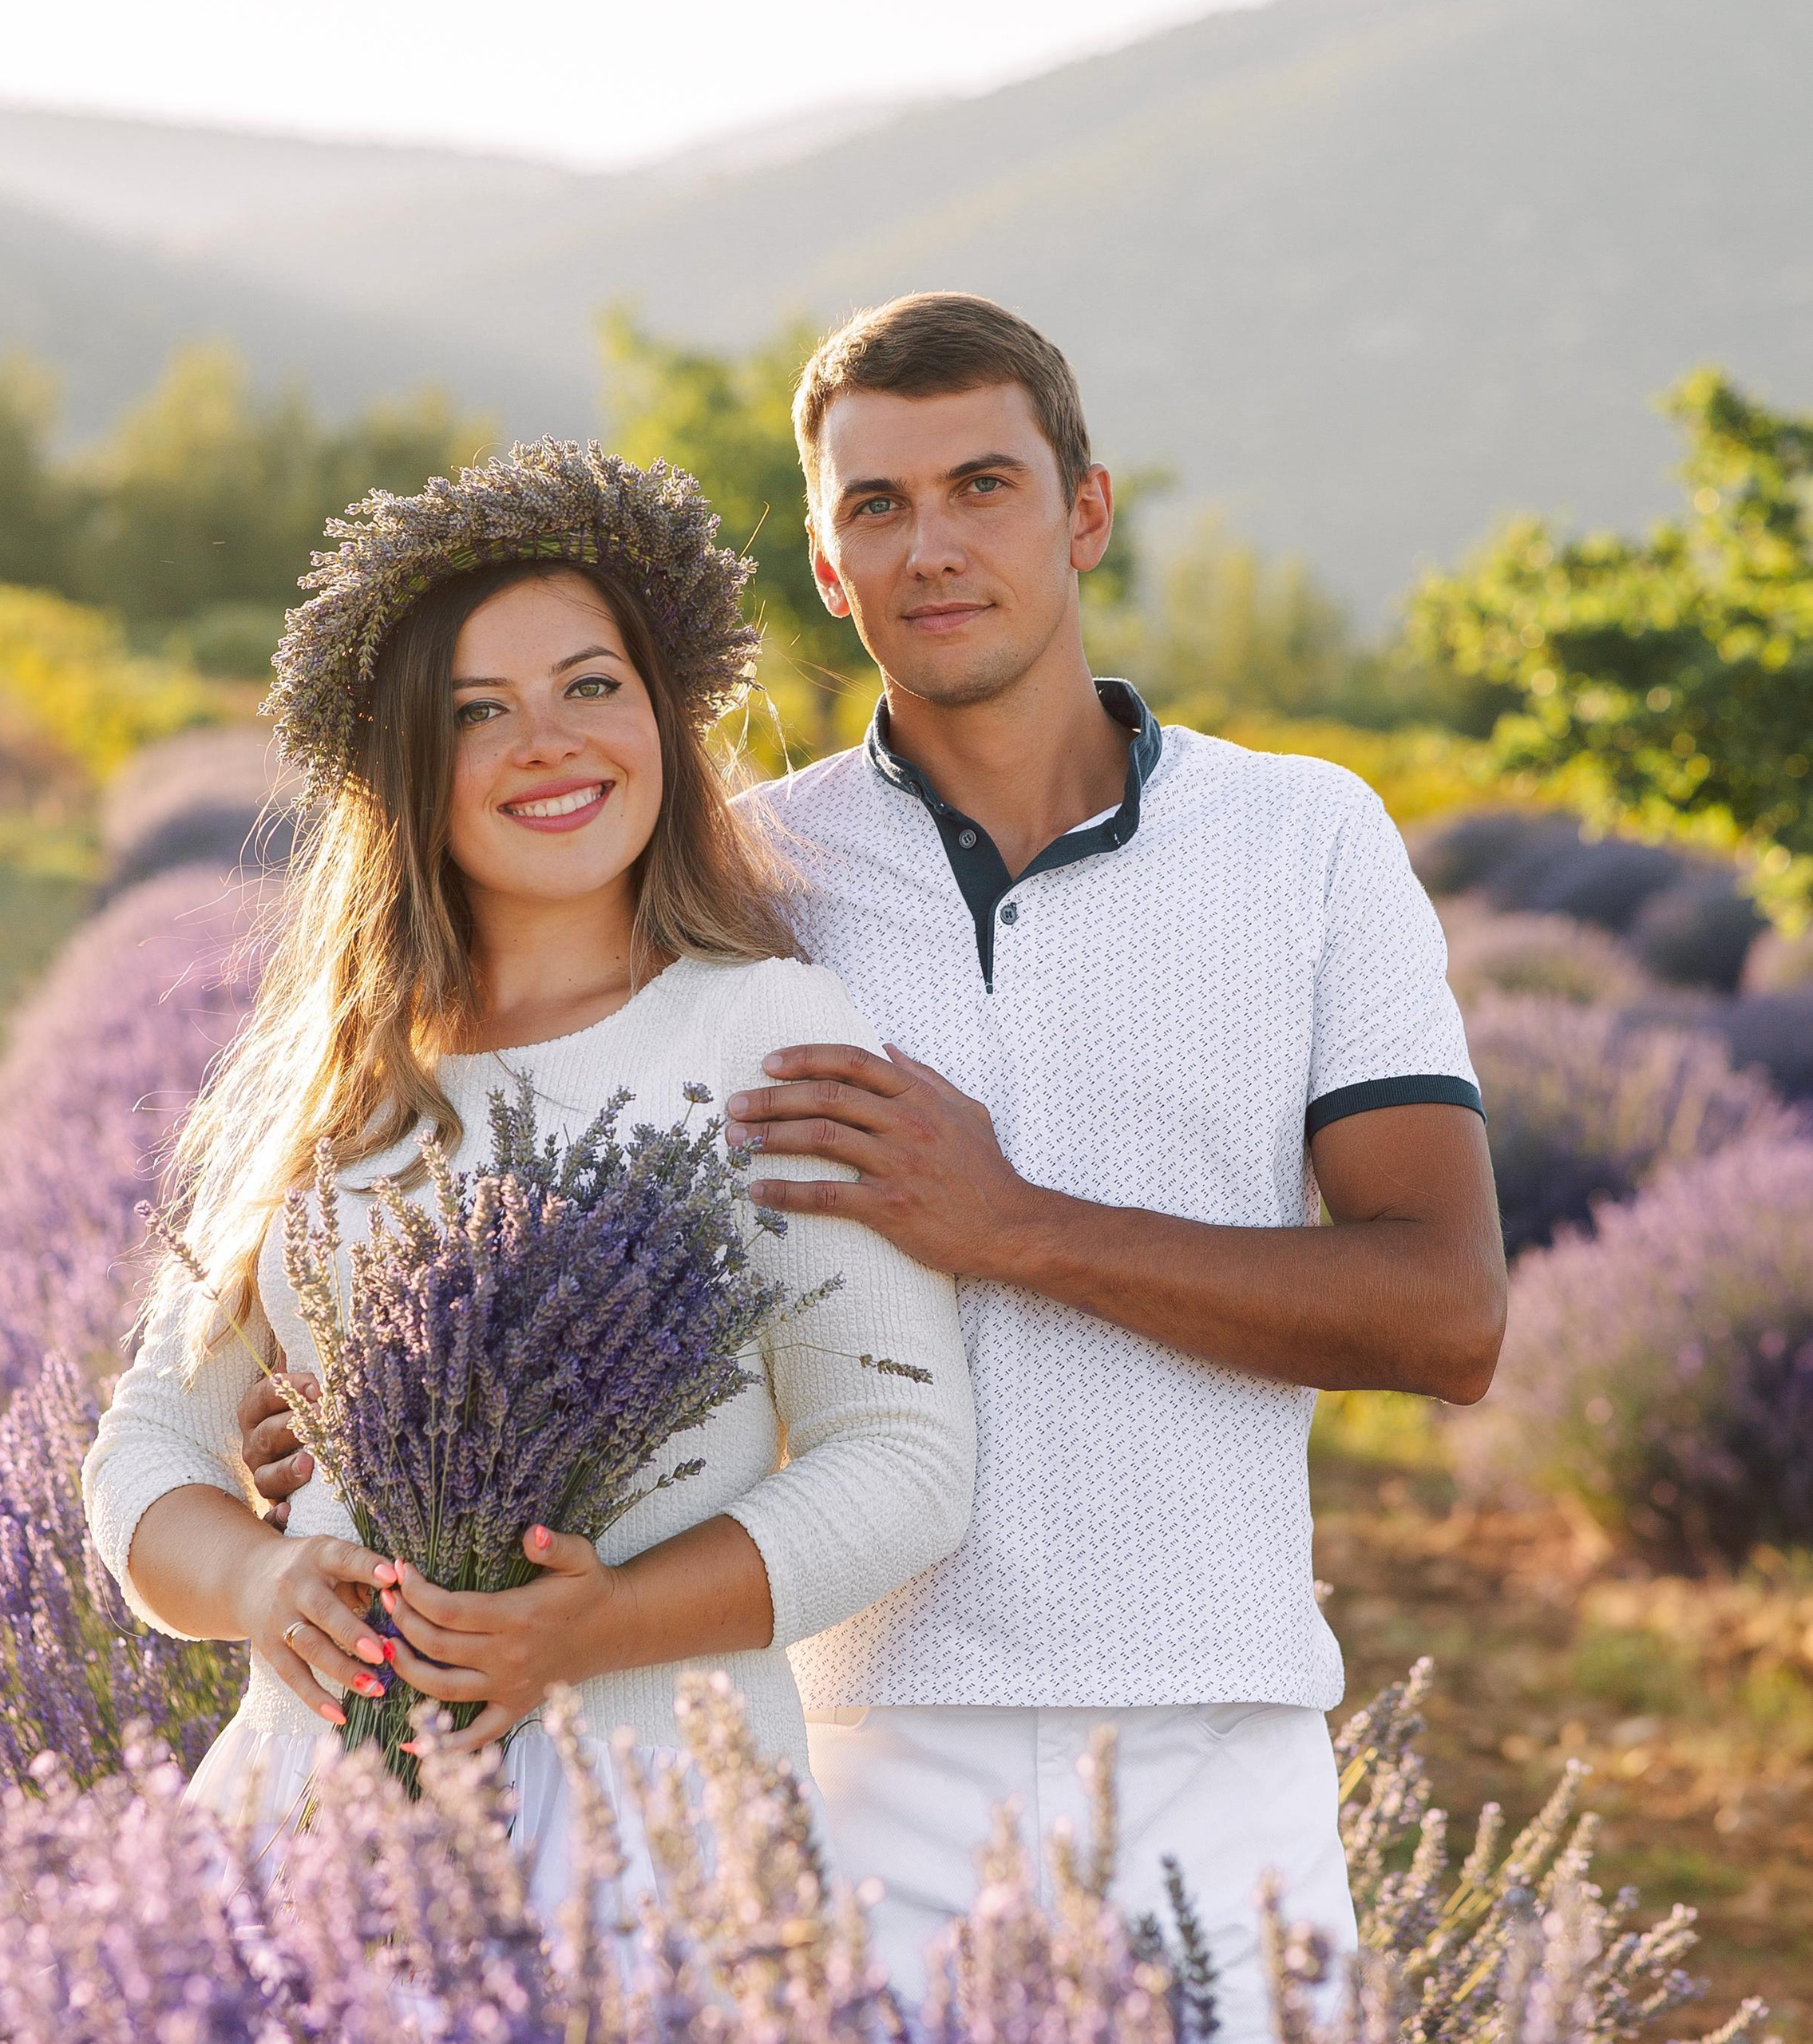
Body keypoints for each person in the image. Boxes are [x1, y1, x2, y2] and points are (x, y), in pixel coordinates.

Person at [242, 304, 1507, 2039]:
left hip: (1216, 1725)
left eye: (980, 484)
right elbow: (477, 1128)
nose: (931, 544)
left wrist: (1016, 1228)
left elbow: (1442, 1311)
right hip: (842, 1744)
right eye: (874, 506)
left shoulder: (1303, 840)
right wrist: (353, 1389)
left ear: (1082, 510)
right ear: (827, 568)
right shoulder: (737, 876)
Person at [81, 442, 974, 1912]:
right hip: (311, 1818)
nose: (546, 742)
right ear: (408, 775)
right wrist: (257, 1584)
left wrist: (595, 1624)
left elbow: (906, 1458)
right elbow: (148, 1452)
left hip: (654, 1826)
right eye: (474, 713)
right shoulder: (336, 1076)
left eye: (590, 687)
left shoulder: (764, 1030)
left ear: (667, 720)